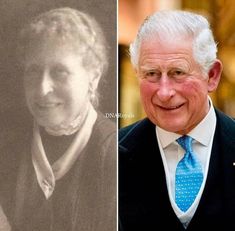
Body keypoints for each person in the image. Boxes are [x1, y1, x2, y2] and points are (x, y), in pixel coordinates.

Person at [1, 7, 116, 231]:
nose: (42, 89)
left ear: (93, 77)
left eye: (59, 71)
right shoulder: (6, 147)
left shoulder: (118, 154)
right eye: (33, 71)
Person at [119, 10, 235, 230]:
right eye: (151, 74)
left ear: (212, 75)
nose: (164, 92)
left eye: (178, 73)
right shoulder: (105, 157)